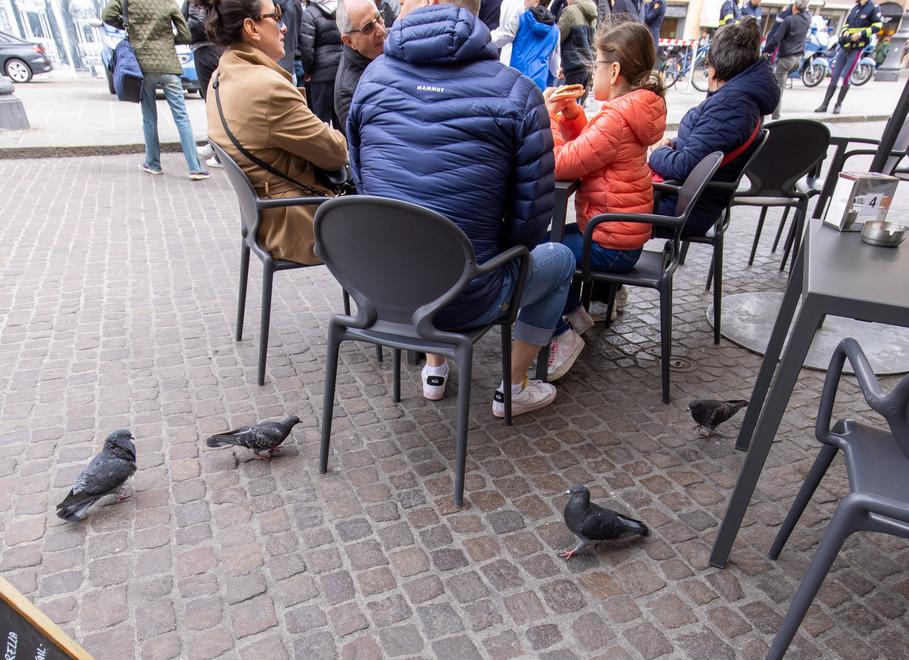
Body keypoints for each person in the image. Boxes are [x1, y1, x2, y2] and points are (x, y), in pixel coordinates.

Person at [348, 0, 582, 415]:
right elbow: (530, 226)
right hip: (470, 294)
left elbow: (365, 185)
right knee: (560, 258)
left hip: (389, 291)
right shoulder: (518, 92)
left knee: (421, 227)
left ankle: (435, 370)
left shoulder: (372, 80)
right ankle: (513, 387)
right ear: (477, 11)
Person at [544, 22, 666, 345]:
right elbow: (592, 148)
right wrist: (570, 117)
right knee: (542, 243)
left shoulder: (615, 119)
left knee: (538, 254)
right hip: (619, 235)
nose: (591, 72)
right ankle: (575, 313)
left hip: (609, 242)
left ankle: (562, 334)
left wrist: (548, 118)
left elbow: (559, 163)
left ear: (613, 72)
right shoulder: (630, 112)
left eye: (594, 64)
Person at [203, 0, 348, 264]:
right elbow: (336, 153)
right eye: (276, 16)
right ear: (251, 27)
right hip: (294, 223)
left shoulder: (219, 77)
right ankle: (382, 303)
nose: (283, 28)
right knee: (390, 222)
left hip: (260, 217)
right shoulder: (267, 88)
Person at [649, 18, 779, 238]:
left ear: (716, 67)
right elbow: (706, 147)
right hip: (689, 198)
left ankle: (595, 264)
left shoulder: (732, 106)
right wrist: (674, 143)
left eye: (708, 64)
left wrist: (657, 152)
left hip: (684, 205)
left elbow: (684, 166)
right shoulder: (740, 100)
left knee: (602, 203)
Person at [102, 0, 210, 180]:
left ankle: (153, 164)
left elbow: (107, 16)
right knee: (182, 117)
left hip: (144, 67)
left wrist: (128, 26)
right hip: (169, 66)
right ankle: (195, 168)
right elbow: (185, 34)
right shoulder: (168, 1)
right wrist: (168, 41)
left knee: (149, 118)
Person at [815, 0, 882, 114]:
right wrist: (845, 32)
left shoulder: (874, 8)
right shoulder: (855, 8)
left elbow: (877, 26)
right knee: (834, 75)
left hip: (857, 47)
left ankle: (838, 105)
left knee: (847, 77)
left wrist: (861, 34)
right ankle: (824, 104)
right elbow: (846, 23)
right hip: (845, 45)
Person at [334, 0, 387, 127]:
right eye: (368, 28)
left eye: (379, 17)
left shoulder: (394, 41)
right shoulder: (347, 93)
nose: (381, 31)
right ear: (348, 41)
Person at [763, 0, 810, 120]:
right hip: (798, 59)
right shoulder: (807, 20)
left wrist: (766, 50)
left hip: (786, 59)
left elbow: (776, 39)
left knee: (779, 89)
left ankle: (775, 117)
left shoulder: (789, 20)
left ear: (794, 7)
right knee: (779, 83)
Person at [300, 0, 343, 125]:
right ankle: (342, 145)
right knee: (340, 120)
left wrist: (307, 71)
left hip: (320, 74)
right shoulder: (340, 10)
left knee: (320, 121)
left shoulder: (310, 13)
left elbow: (307, 49)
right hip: (339, 69)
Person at [509, 0, 561, 90]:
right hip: (539, 81)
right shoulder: (555, 30)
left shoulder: (521, 18)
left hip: (516, 77)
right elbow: (554, 64)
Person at [558, 0, 597, 102]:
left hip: (573, 67)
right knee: (578, 108)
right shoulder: (592, 14)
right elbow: (594, 43)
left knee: (567, 106)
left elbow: (557, 37)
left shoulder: (570, 11)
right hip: (587, 67)